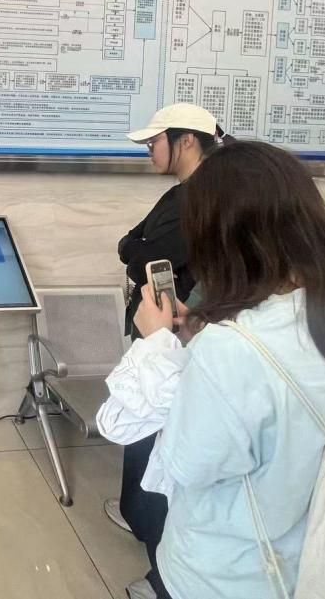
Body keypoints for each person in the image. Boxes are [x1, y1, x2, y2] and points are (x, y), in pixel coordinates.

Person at [99, 141, 325, 599]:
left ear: (223, 235)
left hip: (230, 576)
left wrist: (158, 345)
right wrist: (201, 335)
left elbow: (187, 465)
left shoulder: (232, 350)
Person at [107, 102, 227, 599]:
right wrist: (136, 250)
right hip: (168, 325)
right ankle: (138, 513)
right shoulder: (179, 193)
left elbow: (143, 257)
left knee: (158, 431)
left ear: (188, 140)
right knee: (148, 427)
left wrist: (137, 252)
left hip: (179, 333)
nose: (149, 150)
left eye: (155, 141)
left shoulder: (203, 198)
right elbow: (130, 244)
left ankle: (162, 569)